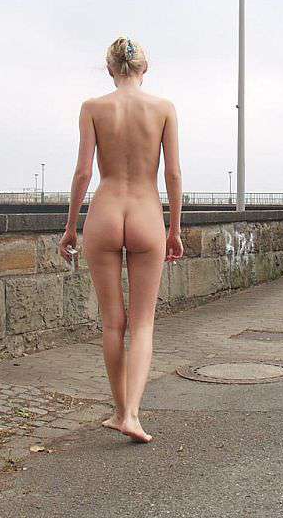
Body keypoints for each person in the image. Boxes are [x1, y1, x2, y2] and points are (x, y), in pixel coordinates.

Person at [58, 37, 183, 443]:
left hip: (106, 213)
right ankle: (133, 414)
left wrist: (70, 227)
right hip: (146, 214)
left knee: (113, 322)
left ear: (110, 68)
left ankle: (117, 411)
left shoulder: (93, 108)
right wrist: (175, 229)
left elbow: (83, 173)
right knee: (143, 324)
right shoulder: (163, 109)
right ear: (145, 68)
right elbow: (173, 174)